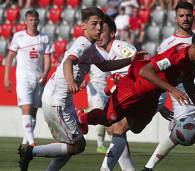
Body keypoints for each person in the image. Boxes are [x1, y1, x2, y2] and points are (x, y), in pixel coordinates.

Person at [17, 7, 140, 171]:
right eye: (94, 24)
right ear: (84, 26)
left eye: (100, 24)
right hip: (57, 101)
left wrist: (130, 59)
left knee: (68, 146)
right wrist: (70, 81)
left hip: (58, 99)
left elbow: (105, 65)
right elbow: (69, 61)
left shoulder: (91, 47)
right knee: (78, 145)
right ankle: (30, 152)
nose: (98, 28)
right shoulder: (82, 44)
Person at [78, 30, 195, 170]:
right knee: (109, 119)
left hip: (152, 94)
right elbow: (145, 71)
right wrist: (172, 89)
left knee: (136, 128)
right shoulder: (177, 57)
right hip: (135, 87)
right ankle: (83, 117)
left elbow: (188, 81)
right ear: (193, 46)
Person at [142, 2, 195, 171]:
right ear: (176, 18)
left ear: (193, 17)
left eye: (188, 15)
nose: (185, 18)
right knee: (180, 134)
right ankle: (149, 166)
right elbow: (159, 74)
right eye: (181, 15)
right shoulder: (168, 44)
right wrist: (161, 103)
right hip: (182, 95)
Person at [84, 14, 137, 170]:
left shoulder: (120, 47)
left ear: (112, 33)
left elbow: (139, 61)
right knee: (114, 129)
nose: (99, 34)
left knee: (116, 128)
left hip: (141, 94)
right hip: (128, 94)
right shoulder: (103, 54)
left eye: (103, 31)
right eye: (98, 31)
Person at [4, 9, 52, 147]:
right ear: (25, 22)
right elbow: (10, 57)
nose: (33, 22)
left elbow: (48, 58)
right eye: (30, 20)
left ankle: (25, 143)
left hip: (39, 79)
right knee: (26, 109)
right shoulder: (18, 36)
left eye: (35, 19)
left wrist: (45, 73)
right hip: (23, 78)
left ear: (38, 21)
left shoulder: (44, 37)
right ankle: (32, 143)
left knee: (34, 112)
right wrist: (7, 76)